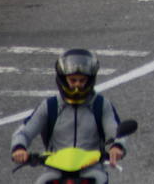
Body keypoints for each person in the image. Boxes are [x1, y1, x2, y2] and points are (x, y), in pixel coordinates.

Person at [10, 49, 127, 182]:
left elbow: (116, 131)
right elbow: (24, 131)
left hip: (92, 168)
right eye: (73, 80)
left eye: (82, 80)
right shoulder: (49, 105)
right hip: (54, 169)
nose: (77, 85)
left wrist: (117, 146)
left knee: (100, 179)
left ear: (90, 80)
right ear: (63, 79)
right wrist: (19, 148)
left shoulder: (101, 105)